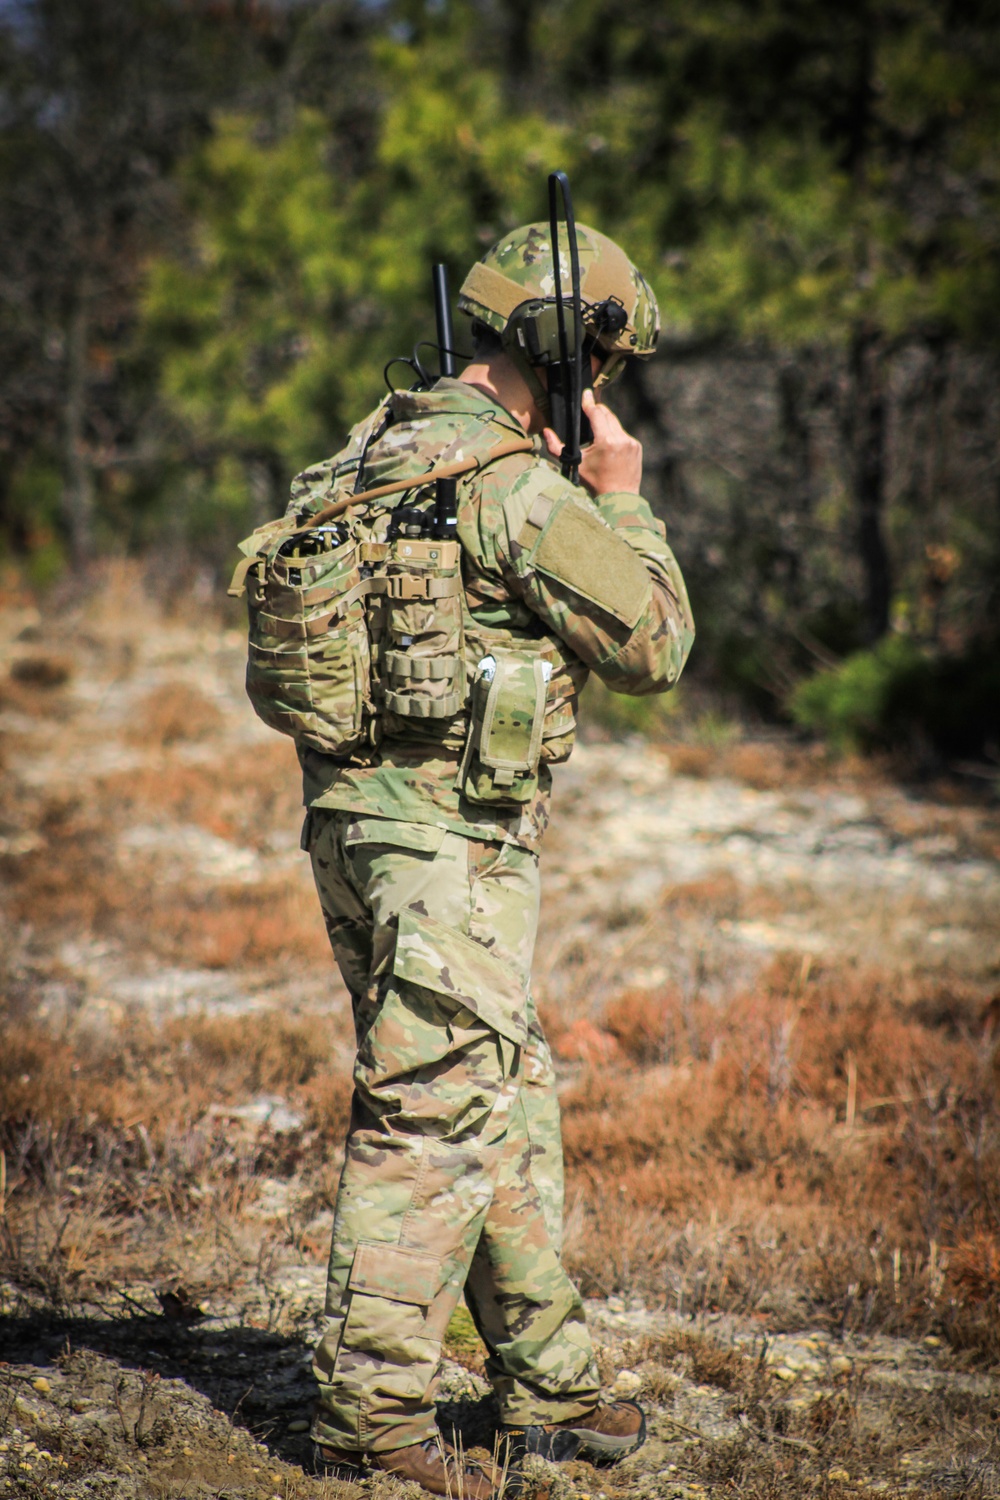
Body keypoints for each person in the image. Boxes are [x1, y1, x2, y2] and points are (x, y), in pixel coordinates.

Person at [290, 221, 695, 1496]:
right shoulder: (509, 484)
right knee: (430, 1124)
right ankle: (367, 1415)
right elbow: (655, 646)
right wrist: (620, 498)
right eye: (601, 354)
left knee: (497, 1102)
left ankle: (549, 1387)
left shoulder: (364, 453)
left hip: (358, 835)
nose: (604, 383)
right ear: (566, 345)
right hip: (450, 851)